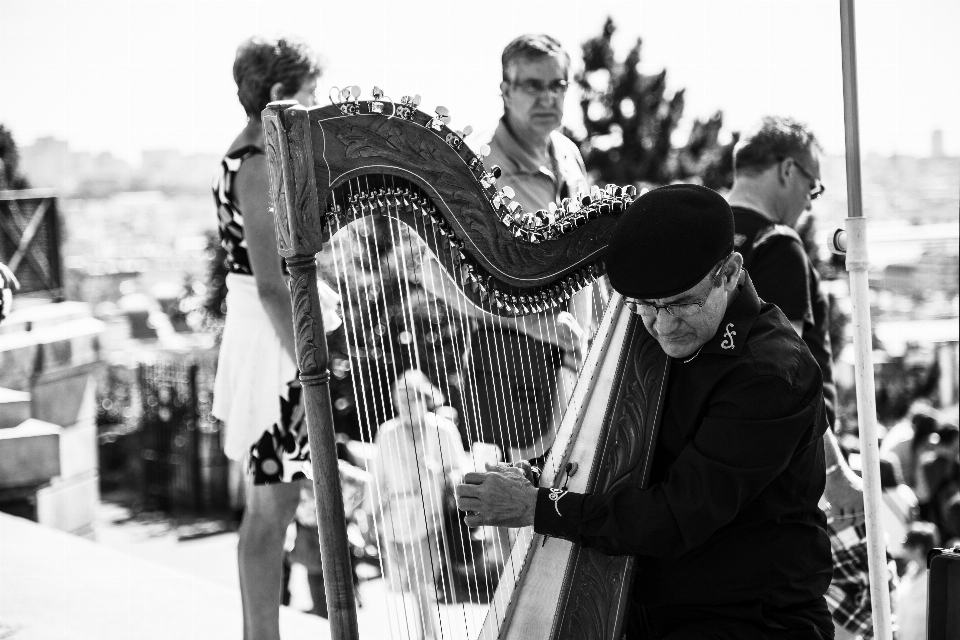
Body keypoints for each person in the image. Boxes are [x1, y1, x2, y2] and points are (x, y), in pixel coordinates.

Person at [457, 184, 834, 639]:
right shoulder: (656, 336)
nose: (664, 325)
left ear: (730, 273)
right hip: (663, 608)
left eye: (682, 303)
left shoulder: (769, 374)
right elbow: (622, 453)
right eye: (645, 307)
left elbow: (676, 516)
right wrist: (539, 474)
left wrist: (538, 507)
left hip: (750, 619)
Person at [726, 117, 887, 639]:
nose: (811, 202)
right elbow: (785, 375)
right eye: (813, 187)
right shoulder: (779, 245)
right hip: (794, 466)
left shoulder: (701, 235)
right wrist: (837, 472)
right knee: (864, 599)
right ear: (787, 169)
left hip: (728, 463)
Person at [209, 35, 321, 640]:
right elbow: (273, 284)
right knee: (270, 508)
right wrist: (312, 356)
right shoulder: (256, 162)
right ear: (279, 95)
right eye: (309, 94)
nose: (317, 104)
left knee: (270, 506)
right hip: (273, 346)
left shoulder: (253, 155)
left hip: (266, 337)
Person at [464, 33, 593, 461]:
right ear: (505, 90)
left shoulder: (569, 153)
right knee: (513, 507)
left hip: (579, 357)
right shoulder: (478, 160)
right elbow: (439, 275)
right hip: (508, 361)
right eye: (532, 85)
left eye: (558, 85)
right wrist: (534, 325)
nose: (548, 97)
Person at [369, 370, 465, 640]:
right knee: (413, 586)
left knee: (423, 583)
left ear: (424, 398)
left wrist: (439, 472)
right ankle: (428, 634)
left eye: (409, 398)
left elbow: (461, 471)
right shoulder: (387, 432)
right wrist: (371, 514)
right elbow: (378, 479)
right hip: (396, 520)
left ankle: (428, 635)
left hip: (431, 517)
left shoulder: (442, 429)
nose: (404, 405)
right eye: (399, 400)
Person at [895, 521, 940, 640]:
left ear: (918, 548)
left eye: (906, 544)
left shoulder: (935, 577)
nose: (902, 548)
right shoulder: (910, 570)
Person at [0, 260, 18, 324]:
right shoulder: (2, 266)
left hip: (4, 289)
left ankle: (3, 313)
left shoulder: (2, 267)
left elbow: (10, 277)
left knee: (5, 302)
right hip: (4, 289)